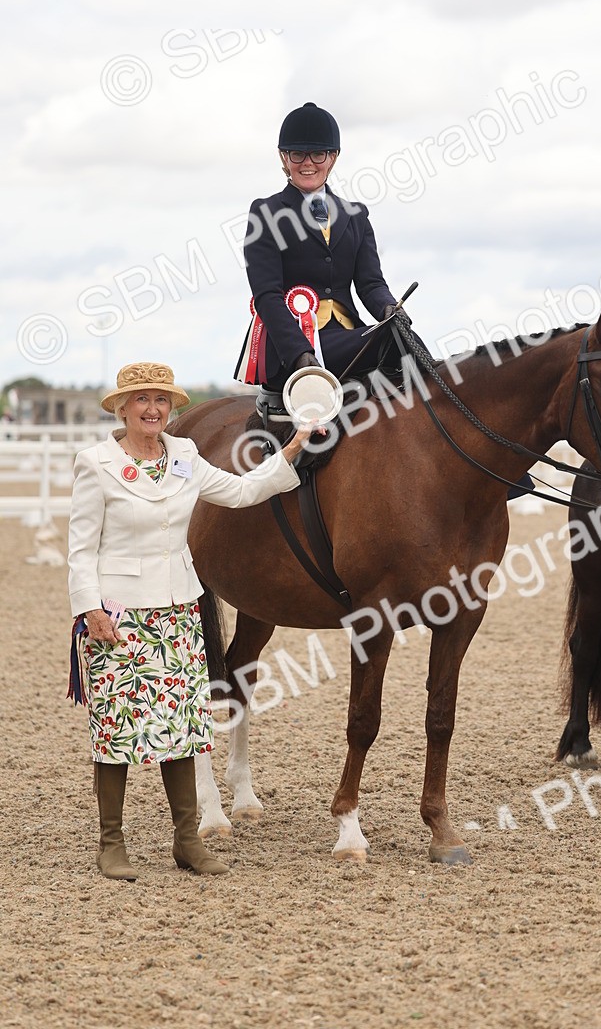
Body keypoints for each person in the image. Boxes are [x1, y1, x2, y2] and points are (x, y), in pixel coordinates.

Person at [67, 362, 315, 881]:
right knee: (115, 729)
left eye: (161, 400)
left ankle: (186, 842)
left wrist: (292, 449)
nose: (153, 409)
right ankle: (111, 844)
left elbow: (241, 492)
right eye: (142, 400)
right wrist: (90, 608)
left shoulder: (183, 454)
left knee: (182, 728)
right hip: (118, 615)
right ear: (122, 408)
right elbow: (81, 548)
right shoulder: (95, 463)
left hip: (179, 609)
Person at [235, 101, 410, 392]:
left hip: (349, 337)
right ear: (283, 157)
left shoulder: (355, 215)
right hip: (292, 347)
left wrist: (389, 307)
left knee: (400, 332)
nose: (308, 163)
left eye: (318, 154)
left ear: (333, 157)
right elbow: (267, 295)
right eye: (297, 154)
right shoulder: (266, 213)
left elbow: (370, 284)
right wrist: (300, 353)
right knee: (392, 339)